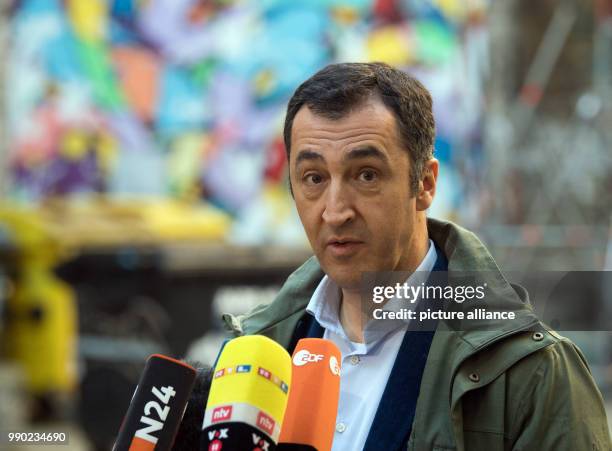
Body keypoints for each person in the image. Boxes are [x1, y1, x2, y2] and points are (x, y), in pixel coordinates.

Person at [222, 62, 611, 450]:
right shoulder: (253, 352)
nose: (335, 210)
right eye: (314, 178)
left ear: (425, 184)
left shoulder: (530, 373)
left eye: (366, 175)